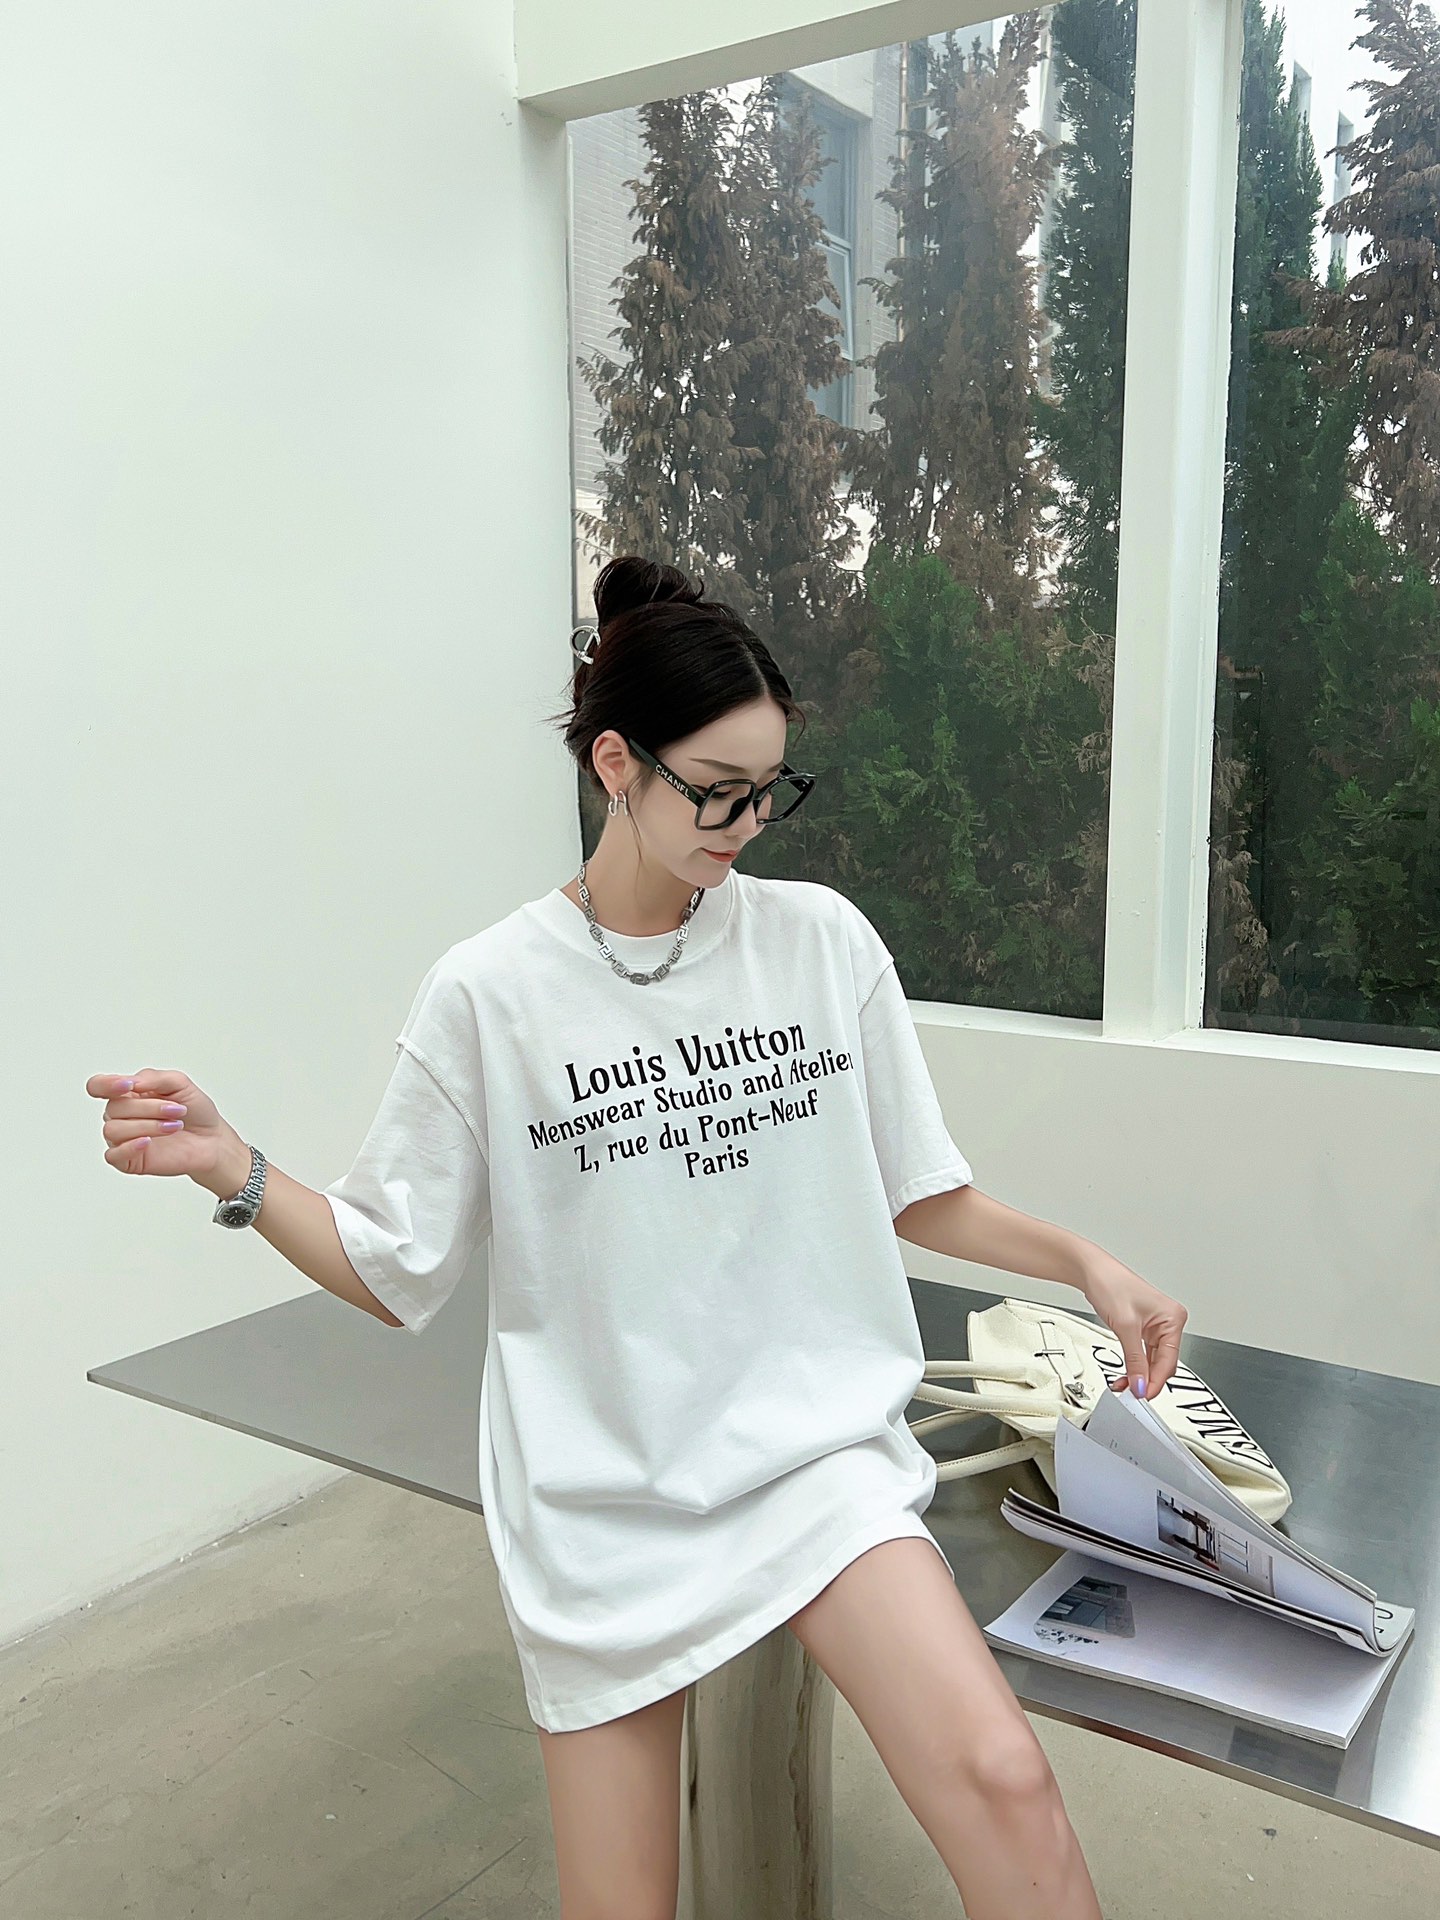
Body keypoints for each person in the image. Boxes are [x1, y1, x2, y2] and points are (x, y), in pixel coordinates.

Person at [88, 552, 1187, 1920]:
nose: (747, 824)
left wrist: (1086, 1262)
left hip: (813, 1458)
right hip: (605, 1496)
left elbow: (915, 1190)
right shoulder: (490, 994)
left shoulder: (821, 946)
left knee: (1007, 1779)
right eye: (716, 789)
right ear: (617, 764)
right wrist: (233, 1165)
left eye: (769, 790)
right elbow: (390, 1264)